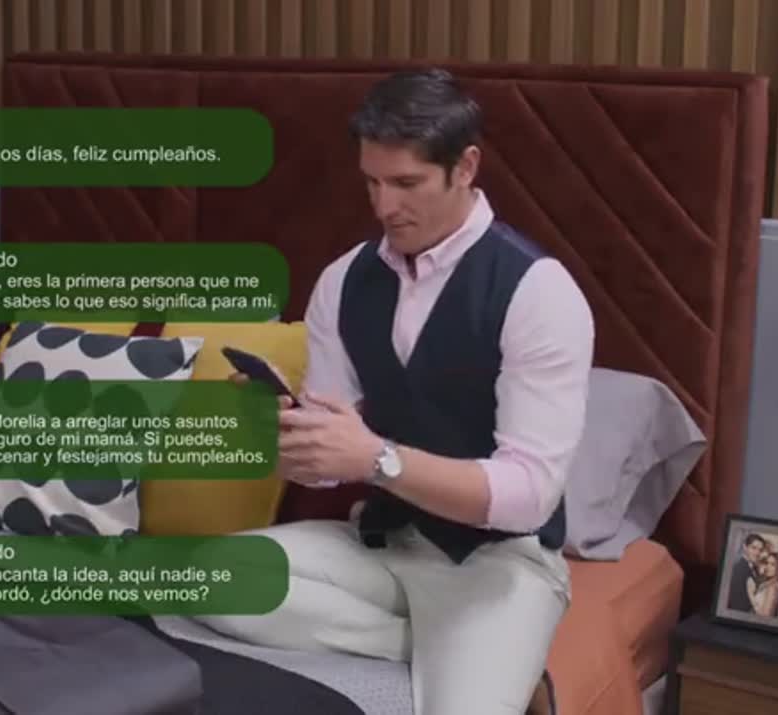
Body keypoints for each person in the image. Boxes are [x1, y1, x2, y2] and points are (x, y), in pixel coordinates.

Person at [194, 68, 594, 715]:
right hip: (380, 544)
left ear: (466, 167)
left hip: (499, 562)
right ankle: (430, 646)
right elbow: (327, 472)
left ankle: (480, 648)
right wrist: (285, 430)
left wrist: (376, 458)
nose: (384, 207)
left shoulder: (539, 294)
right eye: (372, 183)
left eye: (406, 184)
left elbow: (527, 497)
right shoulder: (343, 280)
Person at [728, 533, 767, 612]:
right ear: (745, 547)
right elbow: (735, 601)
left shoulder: (753, 567)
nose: (757, 553)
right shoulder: (739, 568)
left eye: (760, 550)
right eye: (753, 548)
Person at [750, 551, 778, 618]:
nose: (767, 567)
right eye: (767, 563)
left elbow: (765, 617)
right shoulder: (769, 584)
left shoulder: (772, 588)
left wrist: (750, 595)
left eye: (773, 564)